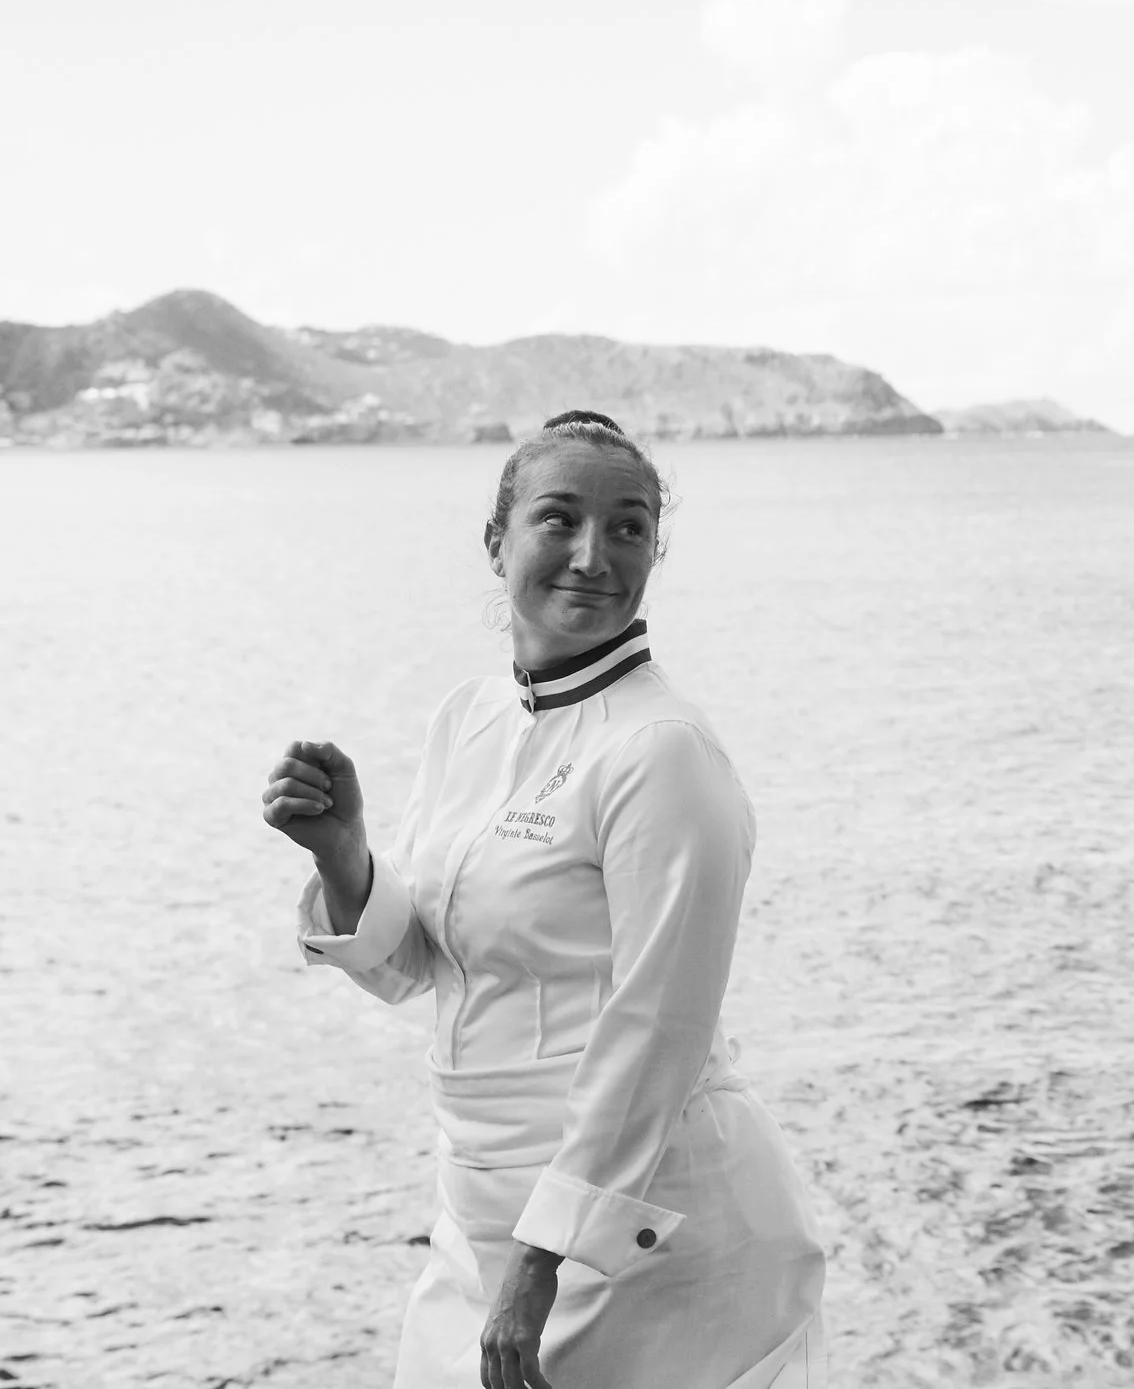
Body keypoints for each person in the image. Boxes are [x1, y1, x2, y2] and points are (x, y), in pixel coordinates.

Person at [261, 411, 826, 1389]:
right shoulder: (471, 718)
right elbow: (421, 968)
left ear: (656, 546)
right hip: (480, 1215)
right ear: (497, 540)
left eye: (629, 526)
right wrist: (344, 853)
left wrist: (542, 1259)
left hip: (649, 1247)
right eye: (558, 518)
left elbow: (660, 1025)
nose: (592, 555)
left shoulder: (663, 753)